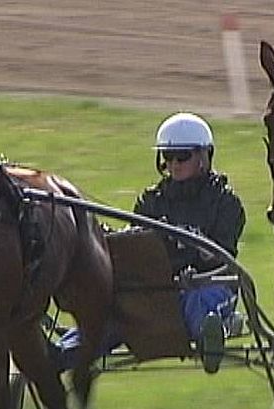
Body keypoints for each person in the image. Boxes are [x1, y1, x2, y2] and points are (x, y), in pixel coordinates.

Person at [51, 112, 246, 373]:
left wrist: (191, 244)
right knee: (114, 313)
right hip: (154, 292)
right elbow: (137, 248)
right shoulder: (151, 201)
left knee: (198, 303)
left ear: (204, 157)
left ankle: (210, 334)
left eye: (183, 156)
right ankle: (62, 353)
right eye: (167, 157)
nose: (174, 164)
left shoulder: (227, 203)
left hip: (206, 284)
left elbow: (223, 258)